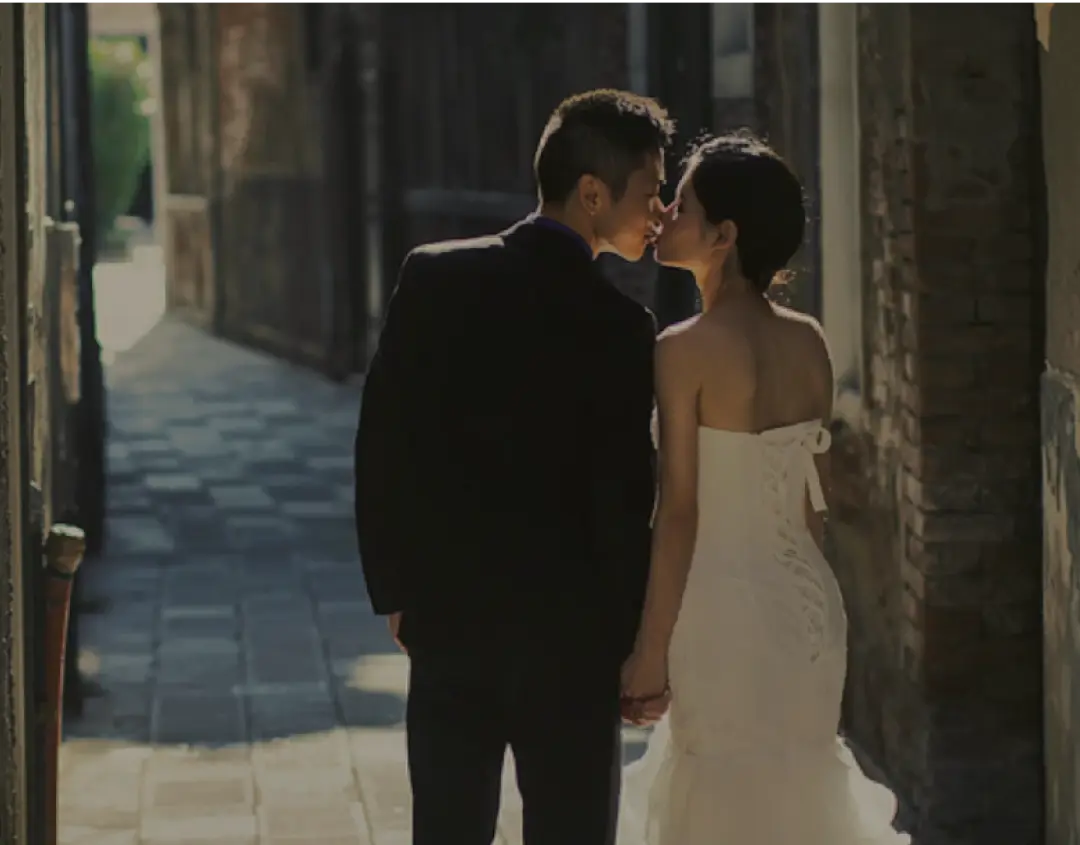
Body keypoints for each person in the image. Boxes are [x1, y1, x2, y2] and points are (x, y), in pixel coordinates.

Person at [354, 89, 674, 845]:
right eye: (651, 191)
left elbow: (385, 443)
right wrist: (631, 644)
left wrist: (398, 593)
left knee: (448, 827)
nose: (659, 212)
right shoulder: (623, 329)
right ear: (592, 194)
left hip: (448, 623)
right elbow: (625, 503)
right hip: (572, 645)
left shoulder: (434, 276)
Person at [617, 131, 911, 845]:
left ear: (724, 234)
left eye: (680, 203)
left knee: (722, 801)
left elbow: (679, 513)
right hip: (809, 613)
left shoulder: (681, 349)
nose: (662, 213)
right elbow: (813, 506)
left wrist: (649, 649)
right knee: (797, 793)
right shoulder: (809, 340)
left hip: (720, 616)